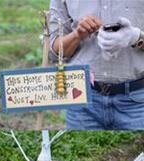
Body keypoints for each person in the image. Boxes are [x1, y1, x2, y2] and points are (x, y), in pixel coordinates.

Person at [49, 1, 144, 130]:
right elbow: (54, 53)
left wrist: (136, 37)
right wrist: (77, 35)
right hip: (82, 103)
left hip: (137, 102)